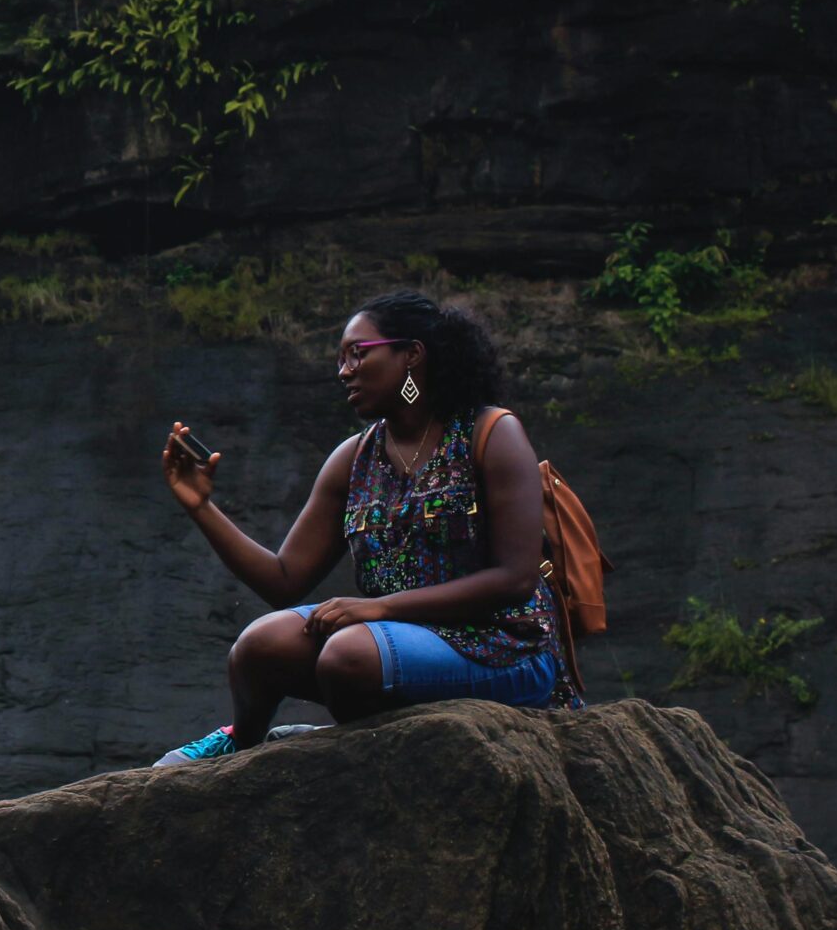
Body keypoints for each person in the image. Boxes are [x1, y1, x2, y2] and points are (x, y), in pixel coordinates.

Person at [154, 290, 578, 766]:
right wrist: (201, 507)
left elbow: (515, 578)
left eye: (358, 352)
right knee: (260, 645)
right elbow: (284, 579)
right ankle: (243, 747)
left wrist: (377, 608)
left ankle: (342, 740)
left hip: (504, 649)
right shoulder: (353, 458)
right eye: (340, 358)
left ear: (412, 354)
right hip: (388, 644)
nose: (344, 370)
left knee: (347, 655)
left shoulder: (490, 434)